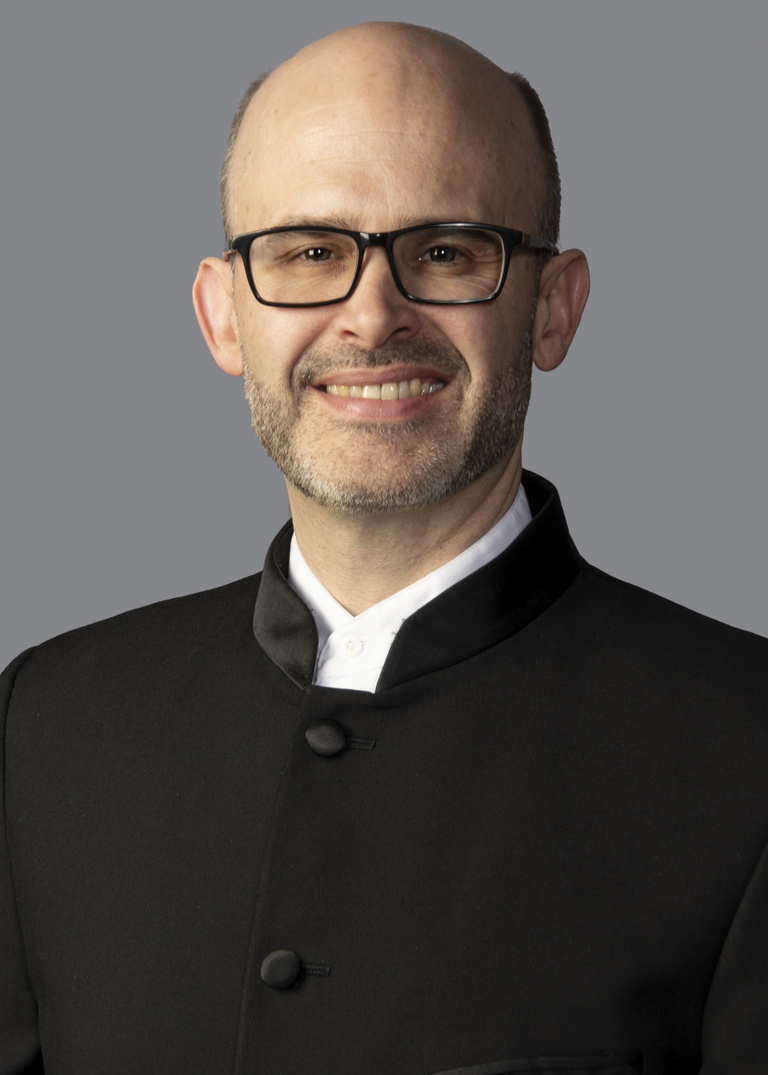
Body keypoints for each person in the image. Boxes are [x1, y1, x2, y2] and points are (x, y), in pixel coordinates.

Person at [1, 20, 766, 1075]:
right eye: (310, 251)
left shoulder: (747, 751)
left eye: (445, 251)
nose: (371, 317)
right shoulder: (42, 727)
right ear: (223, 318)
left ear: (553, 309)